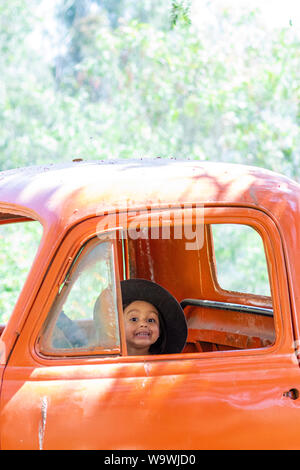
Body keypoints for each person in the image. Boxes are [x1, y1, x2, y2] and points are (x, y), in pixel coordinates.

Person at [121, 278, 187, 355]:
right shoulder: (106, 363)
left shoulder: (164, 365)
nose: (143, 324)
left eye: (151, 320)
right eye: (134, 319)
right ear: (118, 327)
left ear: (160, 331)